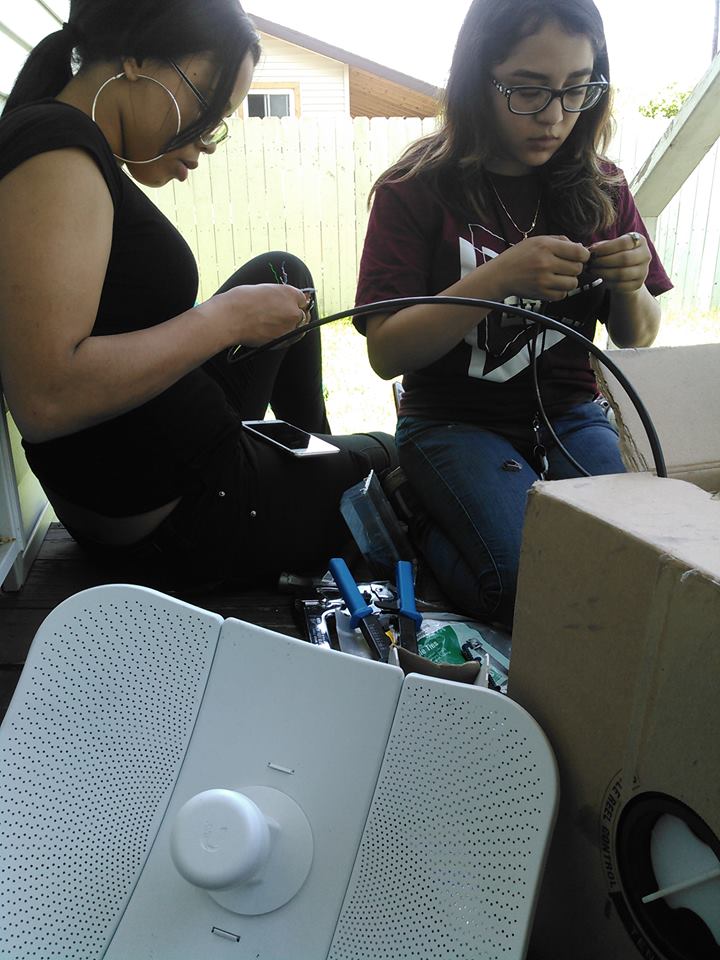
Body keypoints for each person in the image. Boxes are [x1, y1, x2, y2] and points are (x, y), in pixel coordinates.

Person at [0, 0, 397, 588]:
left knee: (281, 271)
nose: (208, 141)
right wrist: (223, 320)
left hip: (164, 460)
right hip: (190, 515)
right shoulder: (58, 150)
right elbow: (46, 396)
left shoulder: (64, 142)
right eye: (207, 105)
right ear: (135, 61)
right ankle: (318, 473)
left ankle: (313, 449)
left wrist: (229, 317)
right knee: (390, 458)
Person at [354, 0, 672, 629]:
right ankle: (414, 512)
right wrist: (496, 278)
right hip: (451, 423)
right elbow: (385, 352)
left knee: (632, 566)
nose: (554, 117)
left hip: (572, 415)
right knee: (528, 585)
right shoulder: (415, 188)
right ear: (478, 77)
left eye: (577, 90)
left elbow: (636, 338)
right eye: (528, 91)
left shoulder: (600, 186)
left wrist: (630, 287)